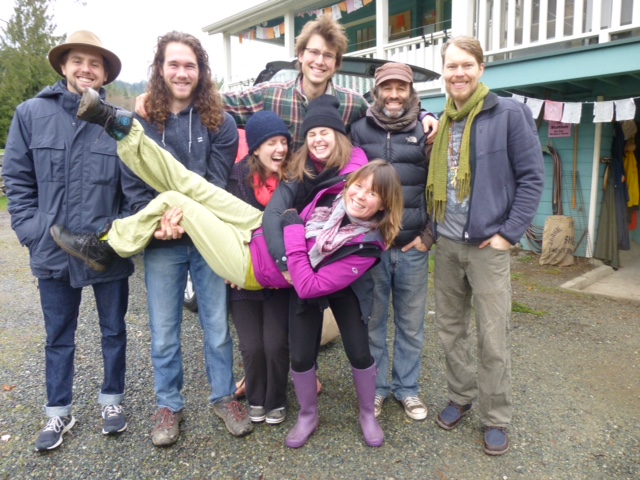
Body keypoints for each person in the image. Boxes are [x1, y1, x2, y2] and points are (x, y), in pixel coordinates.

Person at [51, 92, 403, 448]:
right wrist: (286, 225)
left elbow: (307, 282)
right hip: (259, 230)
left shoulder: (365, 245)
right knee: (189, 182)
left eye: (370, 194)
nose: (358, 194)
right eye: (358, 186)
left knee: (176, 201)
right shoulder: (338, 191)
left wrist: (292, 231)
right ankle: (123, 129)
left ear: (383, 207)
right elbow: (297, 203)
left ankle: (106, 245)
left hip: (252, 263)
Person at [2, 30, 133, 451]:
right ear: (63, 66)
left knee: (114, 330)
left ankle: (112, 401)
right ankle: (58, 411)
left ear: (104, 73)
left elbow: (135, 189)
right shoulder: (30, 114)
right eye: (78, 60)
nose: (86, 69)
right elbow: (16, 180)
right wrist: (33, 232)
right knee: (59, 334)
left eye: (95, 63)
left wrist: (118, 238)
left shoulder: (117, 123)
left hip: (105, 250)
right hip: (52, 250)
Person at [118, 31, 249, 446]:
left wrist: (186, 217)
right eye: (173, 64)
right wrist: (159, 223)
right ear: (160, 69)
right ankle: (169, 406)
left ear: (201, 71)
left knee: (216, 326)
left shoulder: (221, 123)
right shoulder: (140, 122)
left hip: (206, 239)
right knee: (164, 330)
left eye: (189, 65)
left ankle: (224, 397)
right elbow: (133, 178)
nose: (181, 72)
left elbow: (214, 184)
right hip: (161, 241)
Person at [428, 36, 544, 456]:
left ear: (481, 69)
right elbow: (432, 185)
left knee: (493, 336)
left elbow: (532, 177)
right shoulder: (441, 123)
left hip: (487, 246)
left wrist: (509, 234)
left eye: (466, 65)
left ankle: (496, 416)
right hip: (446, 243)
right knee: (450, 330)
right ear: (443, 72)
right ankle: (460, 396)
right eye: (451, 66)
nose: (457, 73)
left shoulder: (508, 113)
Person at [350, 62, 433, 421]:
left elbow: (438, 186)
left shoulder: (427, 130)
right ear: (377, 91)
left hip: (413, 248)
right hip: (372, 249)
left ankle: (407, 389)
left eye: (401, 87)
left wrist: (429, 237)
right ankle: (378, 388)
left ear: (411, 91)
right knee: (373, 323)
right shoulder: (358, 129)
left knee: (411, 324)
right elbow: (349, 184)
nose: (394, 94)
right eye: (388, 87)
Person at [226, 111, 293, 425]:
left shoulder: (292, 178)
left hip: (281, 278)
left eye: (283, 142)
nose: (279, 149)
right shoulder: (236, 177)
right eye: (271, 143)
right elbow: (224, 225)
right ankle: (256, 397)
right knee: (252, 346)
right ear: (254, 147)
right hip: (245, 278)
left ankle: (276, 398)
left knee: (276, 343)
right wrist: (229, 267)